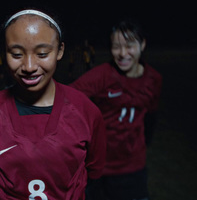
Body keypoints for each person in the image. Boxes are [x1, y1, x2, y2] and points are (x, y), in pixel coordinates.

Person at [0, 8, 107, 199]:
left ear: (60, 51)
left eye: (42, 54)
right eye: (17, 54)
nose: (29, 67)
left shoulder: (85, 111)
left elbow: (93, 178)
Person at [70, 19, 163, 200]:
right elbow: (67, 98)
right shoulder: (102, 75)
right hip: (97, 167)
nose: (122, 54)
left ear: (142, 44)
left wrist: (140, 143)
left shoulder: (154, 79)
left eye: (129, 46)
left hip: (131, 168)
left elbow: (151, 116)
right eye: (116, 47)